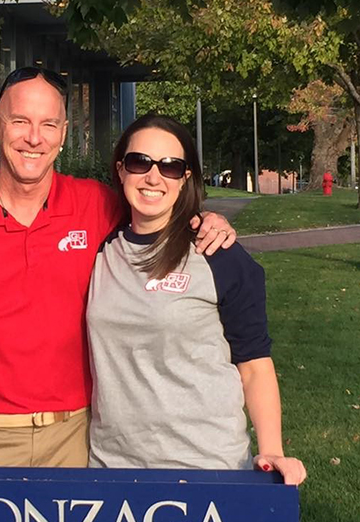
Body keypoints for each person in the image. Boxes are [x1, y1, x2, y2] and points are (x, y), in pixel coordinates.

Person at [0, 67, 235, 468]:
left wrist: (205, 219)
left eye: (48, 124)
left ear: (63, 133)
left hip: (77, 438)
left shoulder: (95, 204)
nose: (34, 137)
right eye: (20, 122)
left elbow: (155, 205)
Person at [86, 114, 306, 485]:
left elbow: (253, 365)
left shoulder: (217, 254)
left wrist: (272, 450)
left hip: (206, 467)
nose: (153, 177)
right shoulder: (101, 249)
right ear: (121, 170)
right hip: (113, 467)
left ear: (186, 178)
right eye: (140, 162)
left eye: (170, 167)